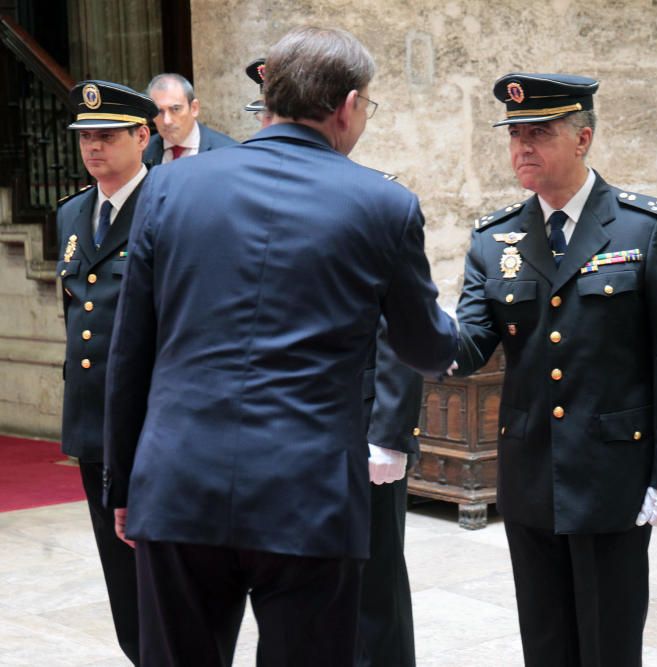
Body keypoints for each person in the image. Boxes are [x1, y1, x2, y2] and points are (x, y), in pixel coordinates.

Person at [103, 27, 456, 666]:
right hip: (308, 496)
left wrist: (125, 482)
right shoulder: (384, 203)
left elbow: (131, 350)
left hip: (179, 482)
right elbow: (427, 348)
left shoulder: (168, 188)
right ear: (348, 105)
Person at [454, 73, 657, 666]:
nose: (522, 148)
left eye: (538, 133)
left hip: (613, 475)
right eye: (515, 135)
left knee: (608, 641)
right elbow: (465, 345)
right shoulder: (496, 239)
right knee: (544, 641)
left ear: (583, 137)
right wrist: (399, 313)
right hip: (530, 473)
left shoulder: (644, 227)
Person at [243, 55, 423, 667]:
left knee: (374, 588)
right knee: (293, 593)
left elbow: (397, 330)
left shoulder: (376, 200)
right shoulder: (242, 205)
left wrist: (389, 433)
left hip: (358, 427)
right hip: (278, 435)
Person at [54, 80, 158, 665]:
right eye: (85, 138)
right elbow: (74, 312)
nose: (93, 148)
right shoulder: (71, 212)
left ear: (142, 137)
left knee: (157, 559)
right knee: (117, 567)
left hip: (150, 418)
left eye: (107, 136)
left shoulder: (167, 205)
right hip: (94, 418)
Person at [143, 72, 235, 164]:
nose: (167, 121)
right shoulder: (141, 151)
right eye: (159, 112)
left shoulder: (227, 152)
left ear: (194, 108)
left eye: (175, 109)